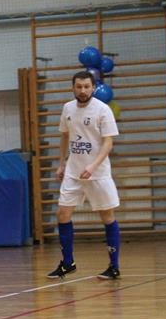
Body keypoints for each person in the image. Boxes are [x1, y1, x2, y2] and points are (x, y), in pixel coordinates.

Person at [46, 70, 121, 280]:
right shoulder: (67, 108)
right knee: (63, 215)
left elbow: (108, 142)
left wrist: (93, 166)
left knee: (107, 217)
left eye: (87, 86)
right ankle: (68, 263)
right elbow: (64, 136)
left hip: (97, 174)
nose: (83, 90)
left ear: (93, 87)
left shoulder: (102, 110)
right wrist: (62, 163)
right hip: (73, 172)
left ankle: (114, 267)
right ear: (73, 88)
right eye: (79, 87)